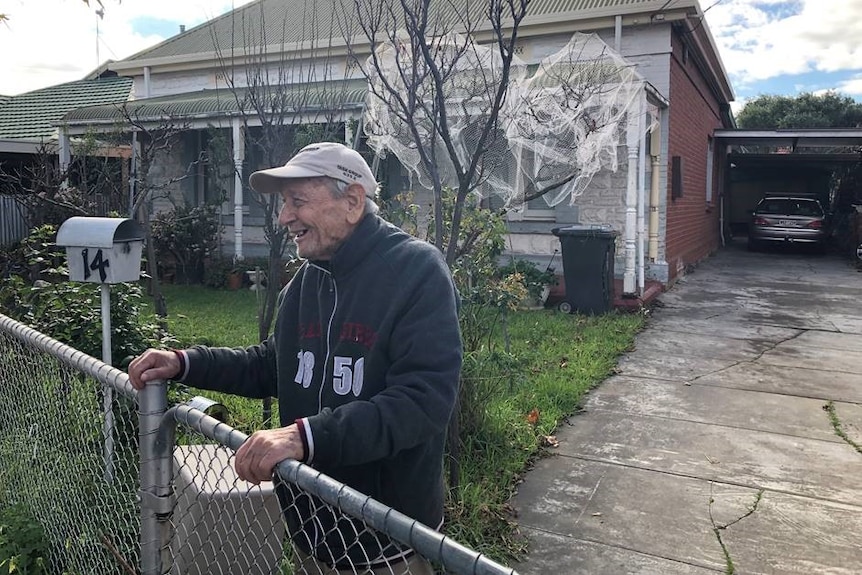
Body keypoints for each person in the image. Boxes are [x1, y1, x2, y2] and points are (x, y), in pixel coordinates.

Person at [128, 142, 462, 574]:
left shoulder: (416, 272)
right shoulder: (305, 282)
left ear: (353, 201)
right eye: (285, 203)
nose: (285, 217)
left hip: (386, 536)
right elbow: (272, 364)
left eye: (297, 201)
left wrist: (303, 437)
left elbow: (423, 402)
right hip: (312, 526)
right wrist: (185, 362)